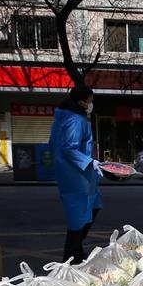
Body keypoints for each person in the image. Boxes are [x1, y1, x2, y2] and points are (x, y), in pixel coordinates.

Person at [48, 85, 102, 263]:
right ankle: (70, 260)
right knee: (79, 219)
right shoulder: (76, 120)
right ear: (81, 101)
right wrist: (90, 162)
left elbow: (53, 145)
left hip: (72, 174)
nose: (91, 104)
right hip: (78, 175)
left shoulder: (62, 119)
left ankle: (77, 254)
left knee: (90, 210)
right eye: (90, 100)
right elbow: (68, 148)